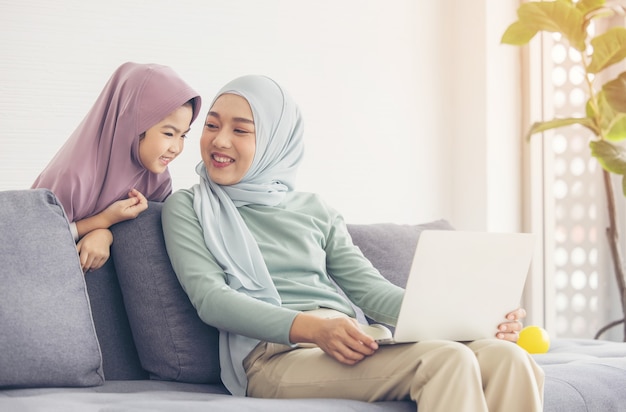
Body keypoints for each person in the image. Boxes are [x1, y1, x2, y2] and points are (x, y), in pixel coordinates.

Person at [161, 75, 544, 411]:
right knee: (446, 360)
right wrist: (310, 328)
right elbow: (211, 299)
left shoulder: (314, 209)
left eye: (240, 130)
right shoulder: (188, 206)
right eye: (211, 126)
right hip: (274, 358)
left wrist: (472, 321)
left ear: (277, 141)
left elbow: (371, 290)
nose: (220, 140)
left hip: (351, 340)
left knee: (508, 358)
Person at [32, 62, 201, 272]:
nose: (177, 148)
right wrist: (103, 221)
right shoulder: (72, 178)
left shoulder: (158, 180)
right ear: (131, 123)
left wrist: (106, 234)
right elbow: (33, 242)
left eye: (183, 135)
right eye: (168, 133)